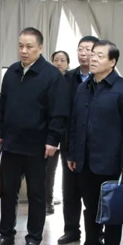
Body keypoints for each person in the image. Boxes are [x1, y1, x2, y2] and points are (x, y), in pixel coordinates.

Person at [0, 27, 68, 245]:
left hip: (38, 146)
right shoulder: (12, 72)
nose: (23, 50)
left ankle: (33, 238)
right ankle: (6, 234)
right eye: (20, 46)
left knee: (36, 194)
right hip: (11, 144)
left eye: (29, 46)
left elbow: (59, 112)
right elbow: (3, 104)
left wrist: (53, 140)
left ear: (40, 48)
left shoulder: (51, 75)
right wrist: (0, 131)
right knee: (8, 191)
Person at [67, 40, 123, 245]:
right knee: (90, 208)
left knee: (112, 209)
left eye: (100, 55)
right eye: (93, 54)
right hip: (85, 160)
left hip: (111, 162)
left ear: (112, 61)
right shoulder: (83, 88)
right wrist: (72, 153)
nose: (93, 58)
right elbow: (75, 123)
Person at [58, 35, 98, 245]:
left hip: (94, 145)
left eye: (88, 49)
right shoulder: (68, 77)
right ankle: (71, 229)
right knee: (70, 190)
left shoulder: (102, 78)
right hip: (71, 142)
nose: (83, 53)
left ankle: (96, 234)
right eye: (80, 49)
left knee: (92, 192)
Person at [44, 50, 70, 215]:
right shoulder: (48, 79)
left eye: (62, 60)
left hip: (68, 134)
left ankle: (67, 202)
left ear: (68, 63)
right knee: (49, 170)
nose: (59, 63)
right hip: (51, 133)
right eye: (56, 60)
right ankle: (48, 202)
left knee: (68, 173)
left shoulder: (72, 80)